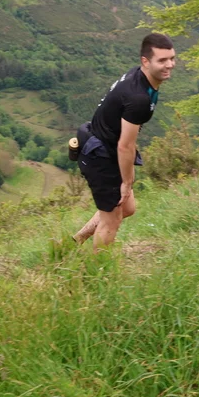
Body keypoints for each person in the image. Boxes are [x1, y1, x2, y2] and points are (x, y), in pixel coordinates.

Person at [73, 33, 176, 250]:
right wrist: (127, 181)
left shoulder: (139, 77)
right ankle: (98, 268)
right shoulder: (139, 98)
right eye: (162, 60)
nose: (169, 65)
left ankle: (76, 241)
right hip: (100, 155)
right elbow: (125, 145)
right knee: (111, 220)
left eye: (172, 58)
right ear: (145, 61)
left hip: (102, 146)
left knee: (127, 208)